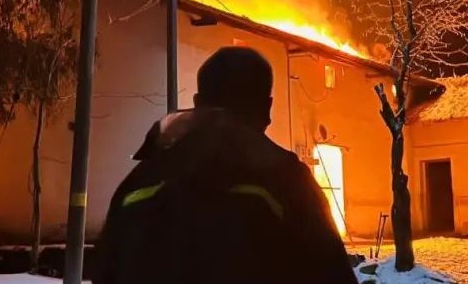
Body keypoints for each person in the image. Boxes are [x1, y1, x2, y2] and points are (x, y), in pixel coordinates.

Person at [93, 47, 356, 284]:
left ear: (197, 103)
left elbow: (105, 270)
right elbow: (332, 274)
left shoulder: (140, 180)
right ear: (267, 109)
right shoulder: (284, 179)